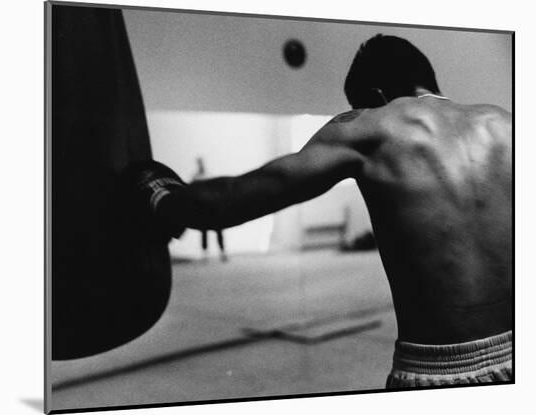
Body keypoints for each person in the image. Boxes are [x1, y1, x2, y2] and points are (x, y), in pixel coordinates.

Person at [126, 35, 512, 388]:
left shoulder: (368, 128)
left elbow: (230, 201)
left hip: (439, 373)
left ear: (376, 95)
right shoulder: (504, 124)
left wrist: (160, 193)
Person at [191, 157, 228, 262]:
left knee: (218, 231)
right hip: (204, 208)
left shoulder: (206, 176)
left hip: (211, 207)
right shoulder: (196, 177)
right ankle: (205, 254)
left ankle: (222, 252)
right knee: (205, 232)